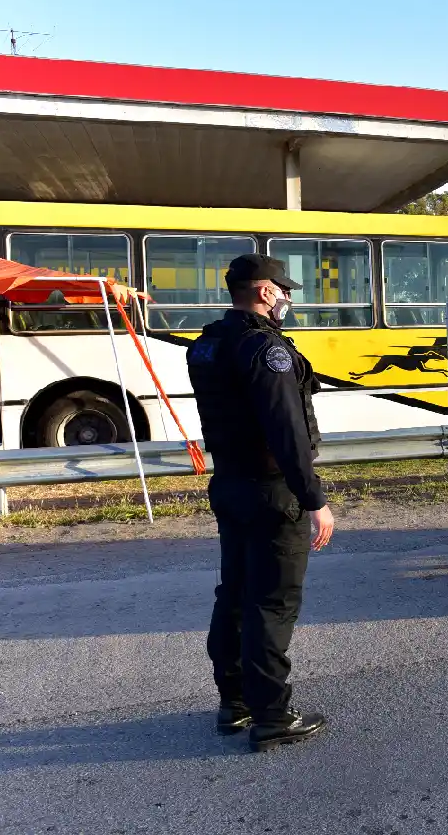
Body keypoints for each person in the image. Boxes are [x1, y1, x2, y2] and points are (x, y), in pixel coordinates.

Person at [186, 253, 335, 752]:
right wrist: (314, 498)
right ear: (266, 292)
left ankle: (235, 703)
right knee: (271, 602)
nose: (288, 299)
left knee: (235, 594)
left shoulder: (206, 344)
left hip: (230, 485)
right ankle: (272, 716)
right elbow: (285, 429)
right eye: (284, 290)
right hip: (274, 491)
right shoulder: (264, 349)